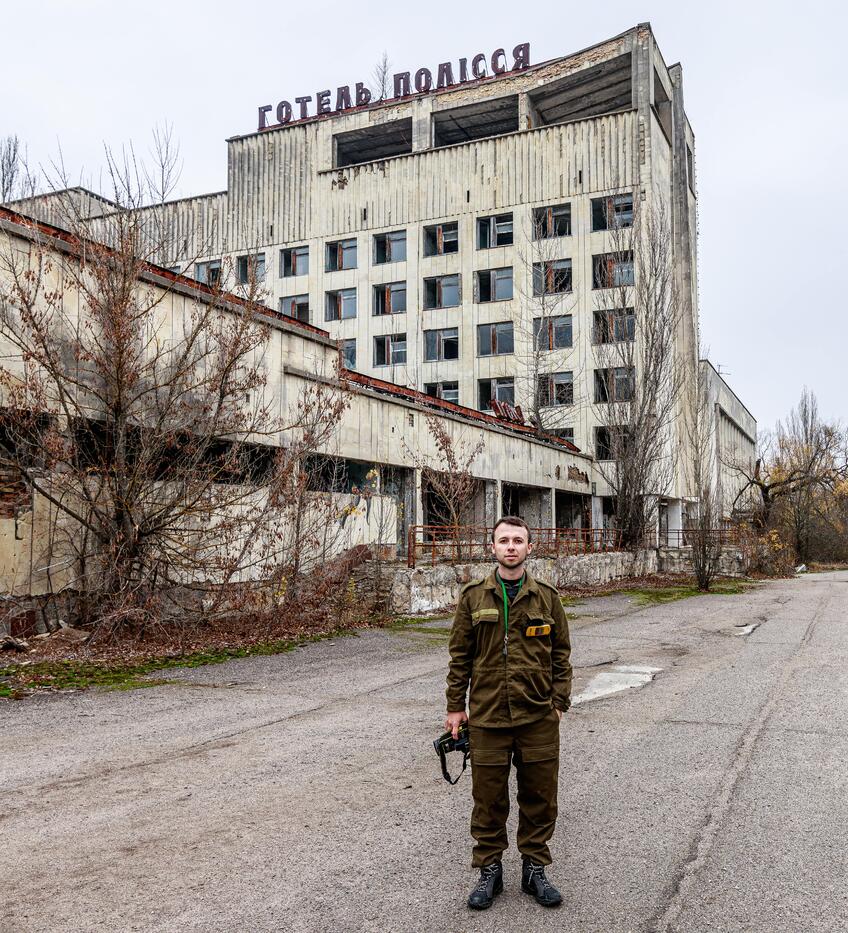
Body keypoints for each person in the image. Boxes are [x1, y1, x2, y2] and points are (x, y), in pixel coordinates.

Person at [444, 515, 572, 911]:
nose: (511, 546)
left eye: (518, 540)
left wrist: (558, 704)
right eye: (504, 540)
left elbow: (562, 656)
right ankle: (490, 871)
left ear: (530, 548)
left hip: (537, 718)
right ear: (493, 547)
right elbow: (459, 656)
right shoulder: (472, 597)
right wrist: (455, 707)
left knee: (539, 797)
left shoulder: (546, 597)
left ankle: (534, 868)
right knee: (488, 800)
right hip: (487, 718)